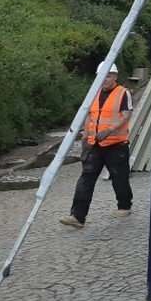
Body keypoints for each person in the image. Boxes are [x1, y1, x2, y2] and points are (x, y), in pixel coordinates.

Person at [60, 63, 134, 228]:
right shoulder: (94, 93)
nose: (105, 79)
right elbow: (89, 118)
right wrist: (85, 141)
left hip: (116, 144)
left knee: (119, 176)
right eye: (102, 76)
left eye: (108, 76)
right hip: (95, 144)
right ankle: (77, 216)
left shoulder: (124, 93)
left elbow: (127, 115)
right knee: (86, 177)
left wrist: (110, 129)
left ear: (115, 76)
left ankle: (124, 205)